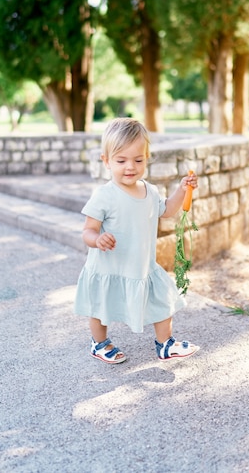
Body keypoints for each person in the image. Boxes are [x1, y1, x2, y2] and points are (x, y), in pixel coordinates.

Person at [74, 117, 199, 364]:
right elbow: (87, 230)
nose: (130, 167)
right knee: (100, 308)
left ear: (146, 157)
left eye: (138, 160)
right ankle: (98, 343)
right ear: (106, 161)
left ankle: (166, 344)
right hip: (109, 268)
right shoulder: (105, 195)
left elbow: (168, 209)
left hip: (142, 266)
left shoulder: (149, 191)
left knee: (162, 302)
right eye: (121, 161)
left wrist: (182, 190)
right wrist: (97, 239)